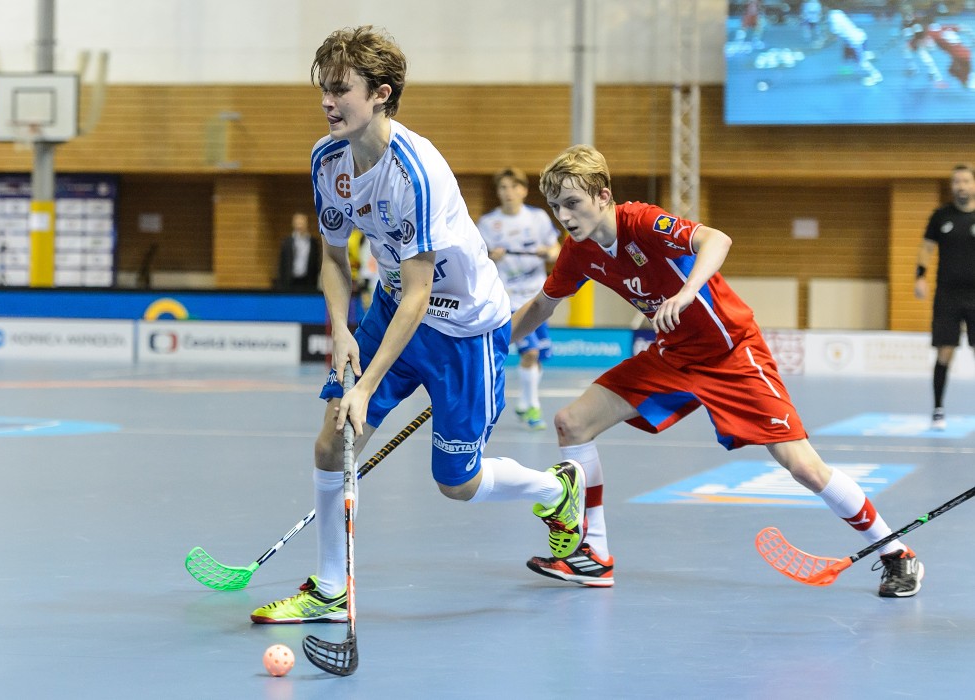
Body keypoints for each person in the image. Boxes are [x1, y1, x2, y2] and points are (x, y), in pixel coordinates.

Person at [250, 26, 586, 624]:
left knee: (457, 483)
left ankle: (555, 491)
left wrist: (365, 385)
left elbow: (422, 292)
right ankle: (330, 589)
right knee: (333, 443)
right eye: (323, 89)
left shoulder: (416, 173)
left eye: (339, 89)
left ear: (380, 93)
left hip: (464, 330)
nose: (327, 101)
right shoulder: (328, 161)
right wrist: (343, 331)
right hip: (388, 312)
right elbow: (332, 256)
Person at [509, 144, 924, 597]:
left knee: (802, 467)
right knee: (572, 422)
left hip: (731, 352)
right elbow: (541, 305)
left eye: (573, 203)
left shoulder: (641, 221)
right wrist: (493, 349)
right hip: (672, 356)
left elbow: (717, 239)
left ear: (603, 196)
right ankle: (594, 555)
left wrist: (687, 292)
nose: (564, 215)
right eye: (555, 206)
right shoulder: (578, 252)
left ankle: (895, 552)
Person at [477, 167, 561, 430]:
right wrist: (491, 256)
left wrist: (546, 253)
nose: (509, 193)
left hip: (538, 297)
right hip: (509, 299)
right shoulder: (488, 224)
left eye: (514, 187)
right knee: (531, 352)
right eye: (503, 188)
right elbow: (475, 261)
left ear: (524, 190)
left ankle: (524, 403)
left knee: (538, 357)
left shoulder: (538, 218)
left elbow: (557, 252)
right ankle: (532, 407)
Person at [915, 164, 975, 430]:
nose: (960, 186)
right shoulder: (941, 216)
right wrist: (920, 276)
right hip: (948, 295)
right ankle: (938, 409)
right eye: (956, 182)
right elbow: (927, 247)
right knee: (945, 352)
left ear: (973, 184)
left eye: (965, 181)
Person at [826, 7, 883, 86]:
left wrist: (822, 44)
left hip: (856, 41)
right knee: (851, 56)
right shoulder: (837, 12)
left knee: (861, 63)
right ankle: (870, 55)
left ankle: (876, 76)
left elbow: (834, 36)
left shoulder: (833, 18)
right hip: (859, 36)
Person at [277, 211, 321, 292]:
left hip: (308, 282)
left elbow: (316, 264)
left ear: (306, 224)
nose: (299, 225)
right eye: (297, 223)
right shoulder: (287, 242)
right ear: (293, 224)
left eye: (302, 223)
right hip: (289, 282)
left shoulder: (313, 243)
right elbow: (282, 264)